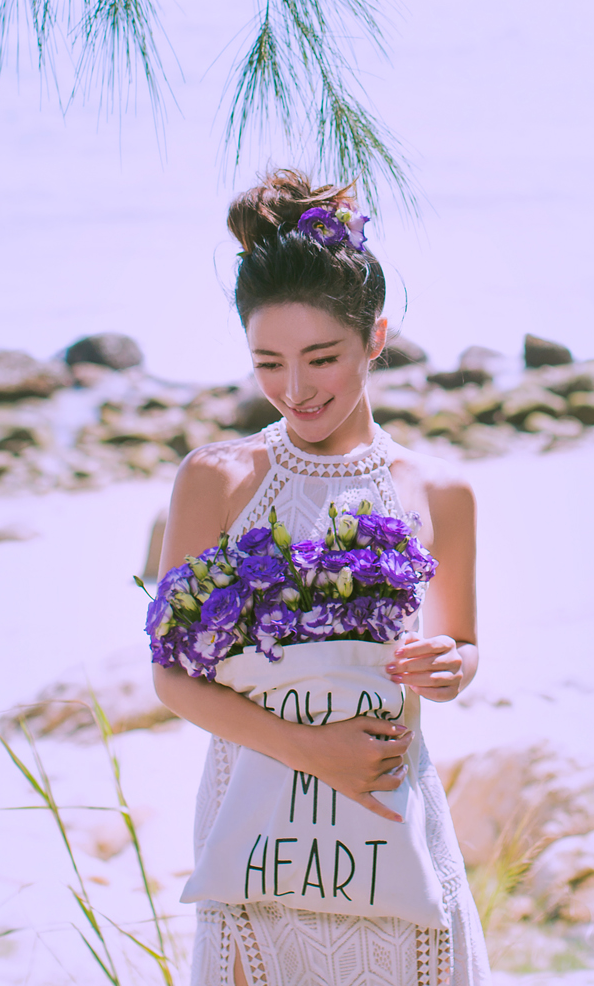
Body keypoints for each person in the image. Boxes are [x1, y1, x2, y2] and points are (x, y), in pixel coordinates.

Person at [152, 169, 489, 986]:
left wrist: (451, 665)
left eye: (322, 358)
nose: (295, 390)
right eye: (268, 362)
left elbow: (463, 645)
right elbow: (171, 679)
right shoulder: (216, 479)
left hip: (395, 839)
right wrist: (312, 752)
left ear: (376, 338)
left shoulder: (439, 491)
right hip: (254, 847)